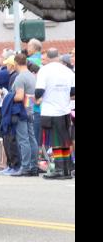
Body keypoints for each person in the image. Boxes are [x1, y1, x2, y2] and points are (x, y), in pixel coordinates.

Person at [35, 48, 75, 180]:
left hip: (50, 110)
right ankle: (66, 169)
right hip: (65, 110)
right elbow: (73, 92)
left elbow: (39, 91)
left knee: (55, 141)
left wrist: (39, 97)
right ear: (58, 56)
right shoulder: (68, 71)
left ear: (47, 57)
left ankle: (58, 169)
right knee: (65, 140)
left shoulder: (44, 70)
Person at [10, 53, 39, 176]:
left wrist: (8, 96)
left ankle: (25, 167)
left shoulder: (20, 78)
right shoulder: (32, 76)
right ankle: (33, 166)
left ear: (16, 63)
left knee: (23, 139)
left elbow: (19, 96)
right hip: (30, 109)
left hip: (21, 110)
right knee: (32, 138)